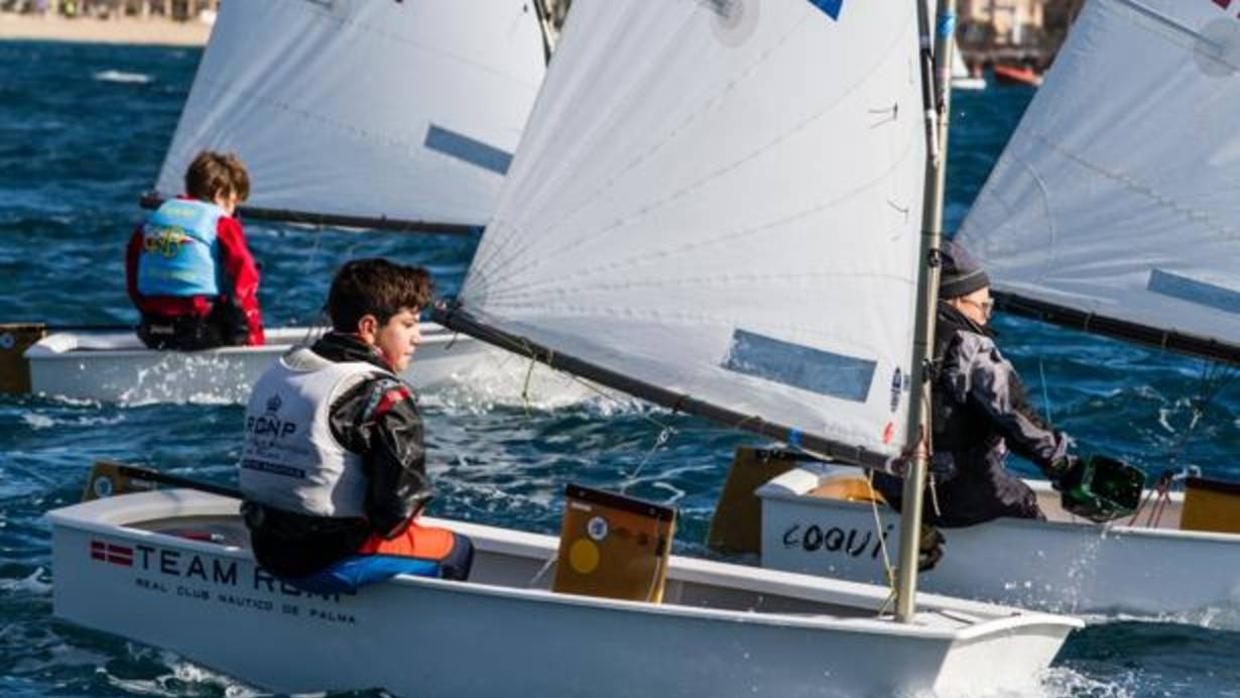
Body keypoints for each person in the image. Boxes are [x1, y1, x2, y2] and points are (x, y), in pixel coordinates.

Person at [238, 258, 472, 592]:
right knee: (457, 549)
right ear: (368, 328)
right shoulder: (385, 395)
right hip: (329, 561)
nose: (417, 337)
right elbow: (395, 517)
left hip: (267, 547)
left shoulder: (281, 371)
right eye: (408, 325)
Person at [874, 240, 1079, 528]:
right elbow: (1012, 413)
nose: (986, 315)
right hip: (957, 495)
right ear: (955, 301)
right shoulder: (970, 347)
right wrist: (1061, 465)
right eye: (984, 305)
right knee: (1022, 502)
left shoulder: (884, 335)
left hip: (892, 487)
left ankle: (918, 536)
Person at [125, 150, 264, 350]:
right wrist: (254, 339)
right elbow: (246, 280)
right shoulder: (221, 222)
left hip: (153, 329)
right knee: (232, 297)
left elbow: (133, 278)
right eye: (234, 203)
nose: (234, 211)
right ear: (220, 194)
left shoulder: (153, 221)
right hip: (199, 330)